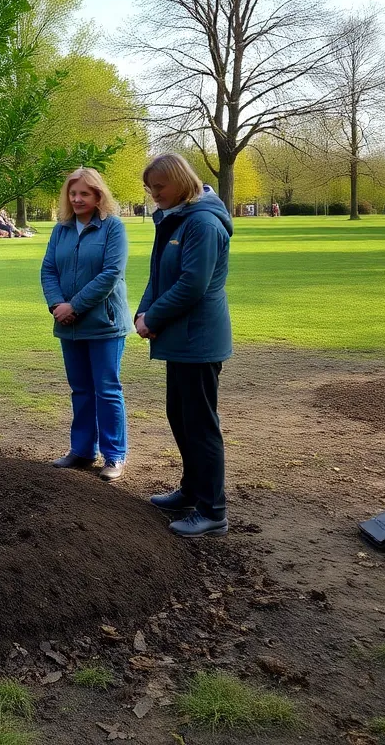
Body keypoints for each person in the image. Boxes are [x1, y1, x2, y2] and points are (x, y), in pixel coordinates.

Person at [135, 153, 233, 538]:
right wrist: (144, 312)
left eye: (159, 187)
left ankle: (213, 510)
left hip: (199, 340)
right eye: (150, 188)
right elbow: (160, 274)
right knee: (180, 416)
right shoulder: (178, 218)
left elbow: (192, 285)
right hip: (181, 340)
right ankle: (192, 492)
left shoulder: (203, 224)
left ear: (180, 181)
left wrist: (153, 318)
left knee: (200, 425)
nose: (153, 194)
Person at [41, 168, 131, 480]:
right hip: (68, 324)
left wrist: (74, 306)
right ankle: (81, 451)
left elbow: (110, 274)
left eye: (85, 194)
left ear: (98, 196)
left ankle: (114, 456)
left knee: (106, 389)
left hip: (104, 323)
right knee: (80, 389)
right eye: (73, 193)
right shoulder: (61, 230)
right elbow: (48, 269)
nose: (77, 199)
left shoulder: (113, 228)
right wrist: (57, 305)